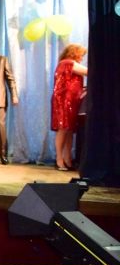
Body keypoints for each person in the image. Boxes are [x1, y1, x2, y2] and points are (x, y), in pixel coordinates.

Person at [51, 43, 87, 171]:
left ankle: (67, 159)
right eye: (81, 55)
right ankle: (59, 159)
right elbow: (89, 71)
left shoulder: (66, 64)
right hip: (64, 100)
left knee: (69, 130)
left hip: (71, 101)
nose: (81, 58)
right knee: (63, 128)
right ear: (74, 53)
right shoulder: (67, 63)